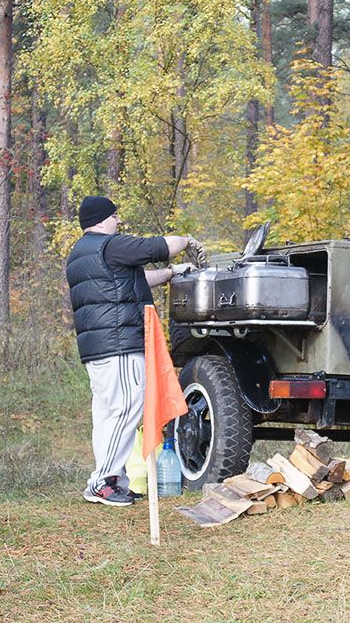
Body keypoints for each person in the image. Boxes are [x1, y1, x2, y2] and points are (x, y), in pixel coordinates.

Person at [66, 196, 205, 506]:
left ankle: (109, 480)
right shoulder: (109, 244)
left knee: (107, 414)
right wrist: (185, 240)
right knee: (126, 407)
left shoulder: (82, 252)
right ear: (102, 221)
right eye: (115, 217)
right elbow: (153, 247)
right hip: (119, 344)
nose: (119, 222)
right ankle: (103, 482)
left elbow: (134, 279)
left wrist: (171, 273)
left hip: (98, 347)